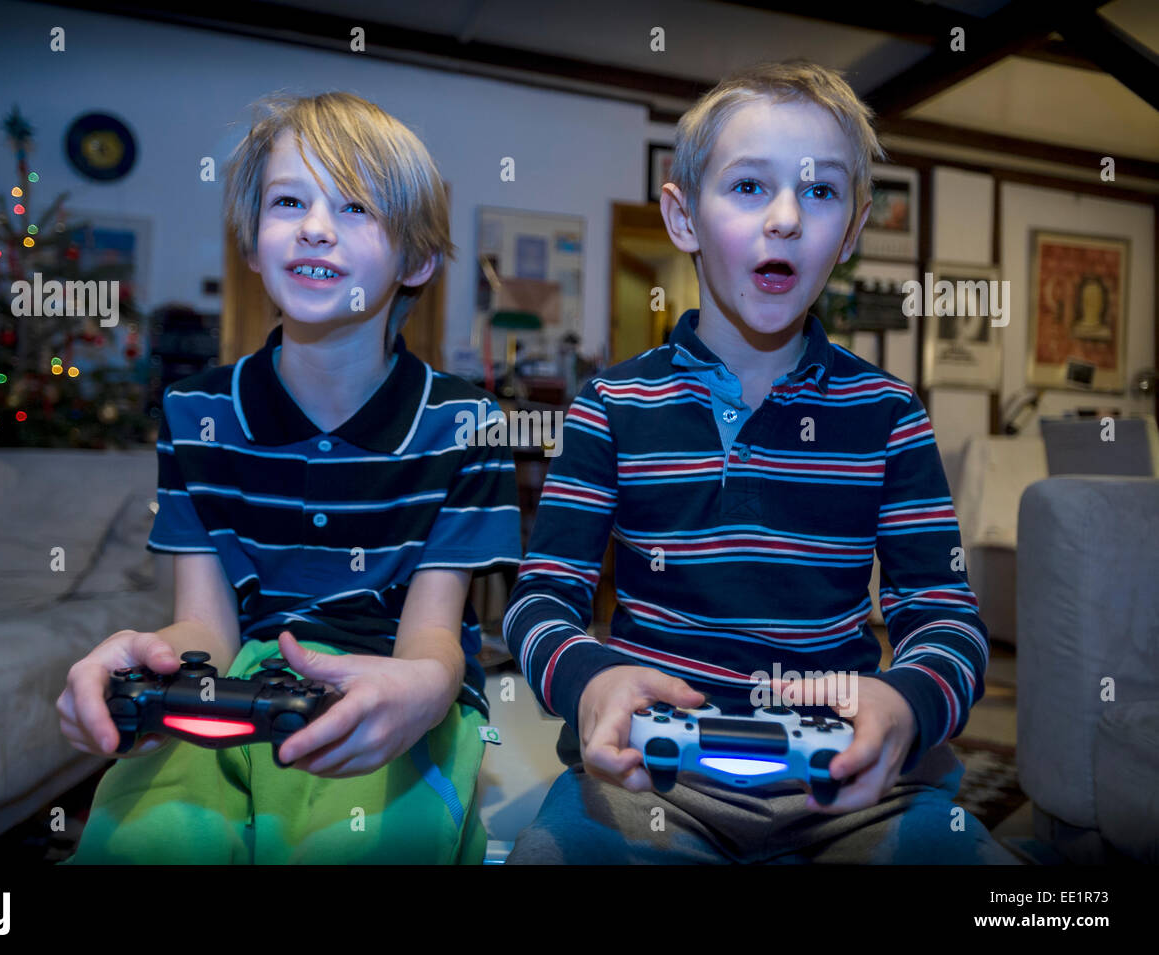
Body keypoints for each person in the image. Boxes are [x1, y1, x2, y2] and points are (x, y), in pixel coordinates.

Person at [501, 60, 1019, 864]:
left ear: (851, 230)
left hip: (847, 780)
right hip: (654, 776)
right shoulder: (610, 407)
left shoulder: (891, 415)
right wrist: (591, 680)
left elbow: (947, 618)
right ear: (683, 218)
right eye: (749, 188)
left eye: (820, 192)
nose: (786, 218)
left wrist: (906, 699)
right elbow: (538, 603)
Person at [57, 91, 520, 864]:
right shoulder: (196, 410)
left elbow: (431, 638)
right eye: (288, 201)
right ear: (251, 242)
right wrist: (148, 654)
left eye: (354, 206)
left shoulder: (465, 423)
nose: (314, 225)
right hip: (233, 685)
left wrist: (428, 692)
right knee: (146, 842)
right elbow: (205, 627)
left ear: (417, 259)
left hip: (392, 680)